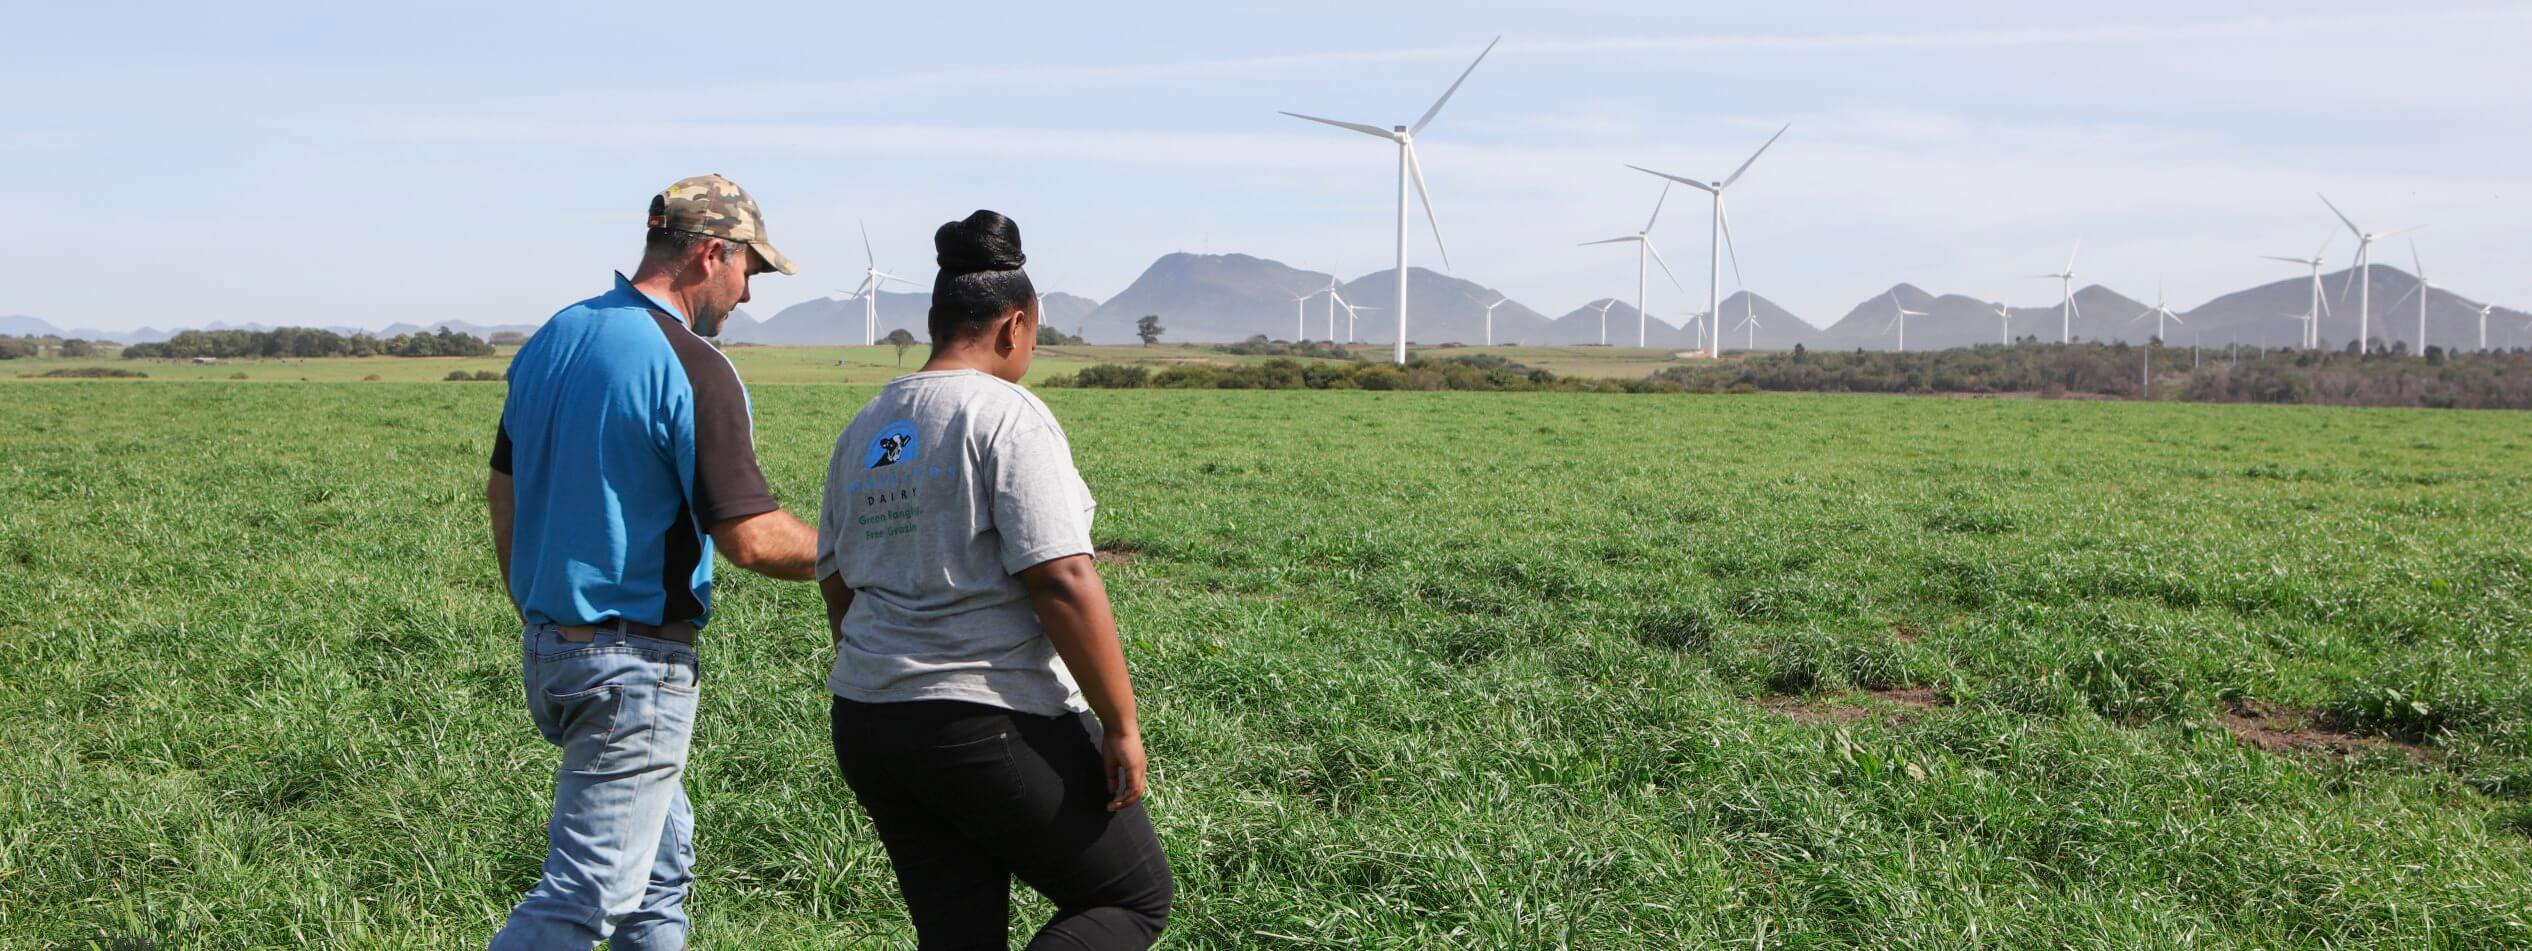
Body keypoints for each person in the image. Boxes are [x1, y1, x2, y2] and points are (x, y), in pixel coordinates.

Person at [817, 210, 1172, 949]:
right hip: (986, 719)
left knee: (959, 936)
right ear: (1015, 325)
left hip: (870, 721)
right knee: (1131, 898)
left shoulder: (865, 427)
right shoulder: (1006, 415)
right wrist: (1122, 723)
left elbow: (837, 582)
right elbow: (1064, 578)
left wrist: (889, 675)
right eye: (1034, 335)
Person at [486, 174, 818, 949]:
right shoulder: (695, 366)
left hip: (553, 648)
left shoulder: (555, 337)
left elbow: (502, 493)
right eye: (750, 271)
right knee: (582, 898)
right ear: (712, 253)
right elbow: (752, 536)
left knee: (657, 885)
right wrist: (869, 549)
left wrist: (542, 609)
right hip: (631, 666)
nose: (747, 295)